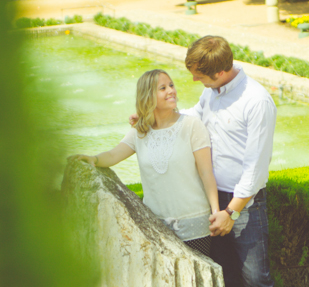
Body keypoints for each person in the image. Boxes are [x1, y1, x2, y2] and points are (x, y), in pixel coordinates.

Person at [71, 69, 219, 257]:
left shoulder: (192, 125)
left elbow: (206, 172)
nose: (171, 91)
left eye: (171, 85)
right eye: (163, 88)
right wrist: (94, 159)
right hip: (156, 228)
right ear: (148, 96)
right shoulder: (139, 131)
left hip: (195, 225)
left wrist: (215, 212)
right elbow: (114, 155)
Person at [183, 35, 279, 287]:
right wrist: (155, 116)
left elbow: (256, 168)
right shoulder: (212, 90)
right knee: (226, 282)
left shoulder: (256, 101)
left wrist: (232, 213)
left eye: (200, 77)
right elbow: (194, 116)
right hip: (214, 200)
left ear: (221, 72)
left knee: (256, 283)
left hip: (245, 205)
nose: (195, 82)